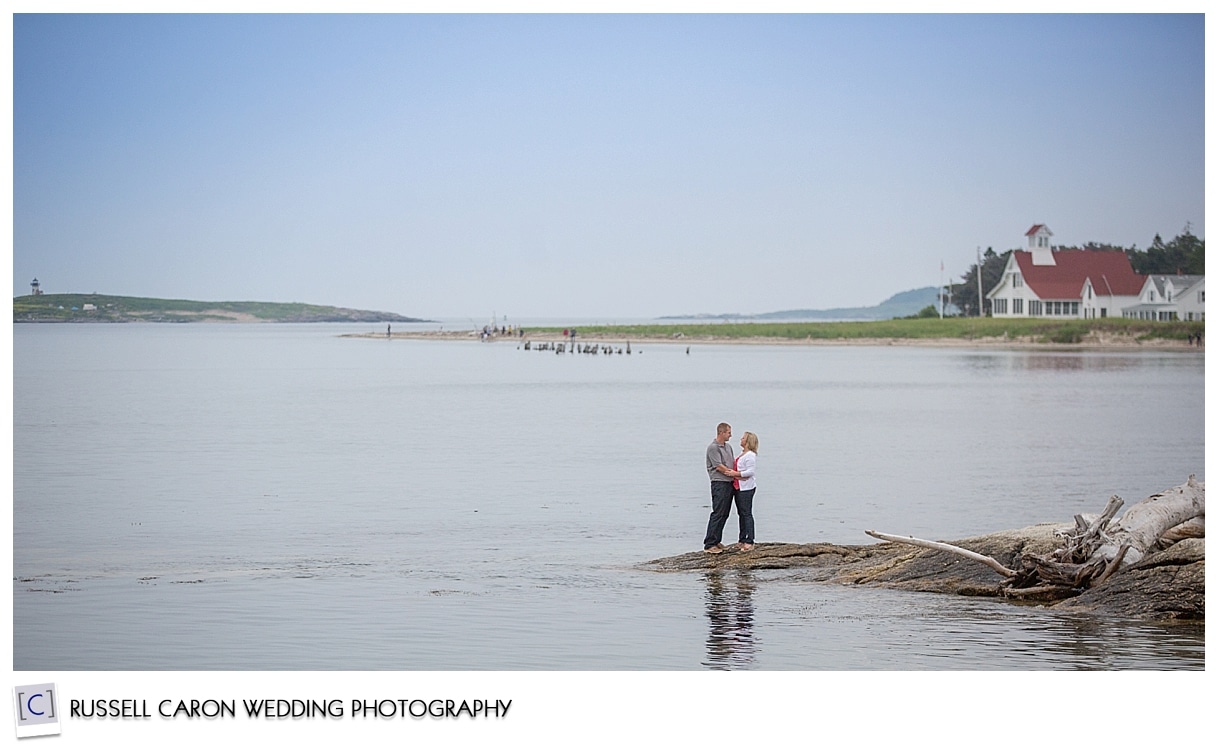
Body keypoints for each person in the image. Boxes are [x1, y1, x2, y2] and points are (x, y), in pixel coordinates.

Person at [703, 422, 735, 553]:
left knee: (725, 513)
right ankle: (709, 543)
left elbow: (731, 463)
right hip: (719, 482)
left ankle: (717, 540)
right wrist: (733, 474)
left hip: (729, 483)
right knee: (718, 512)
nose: (730, 435)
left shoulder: (728, 447)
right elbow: (719, 466)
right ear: (721, 433)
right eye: (728, 432)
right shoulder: (713, 448)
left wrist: (735, 474)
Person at [723, 432, 758, 551]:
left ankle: (750, 540)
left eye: (743, 438)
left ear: (748, 441)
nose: (741, 439)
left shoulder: (750, 455)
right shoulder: (743, 454)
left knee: (746, 514)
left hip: (746, 489)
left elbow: (750, 472)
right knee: (741, 514)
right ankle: (742, 539)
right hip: (738, 487)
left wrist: (735, 474)